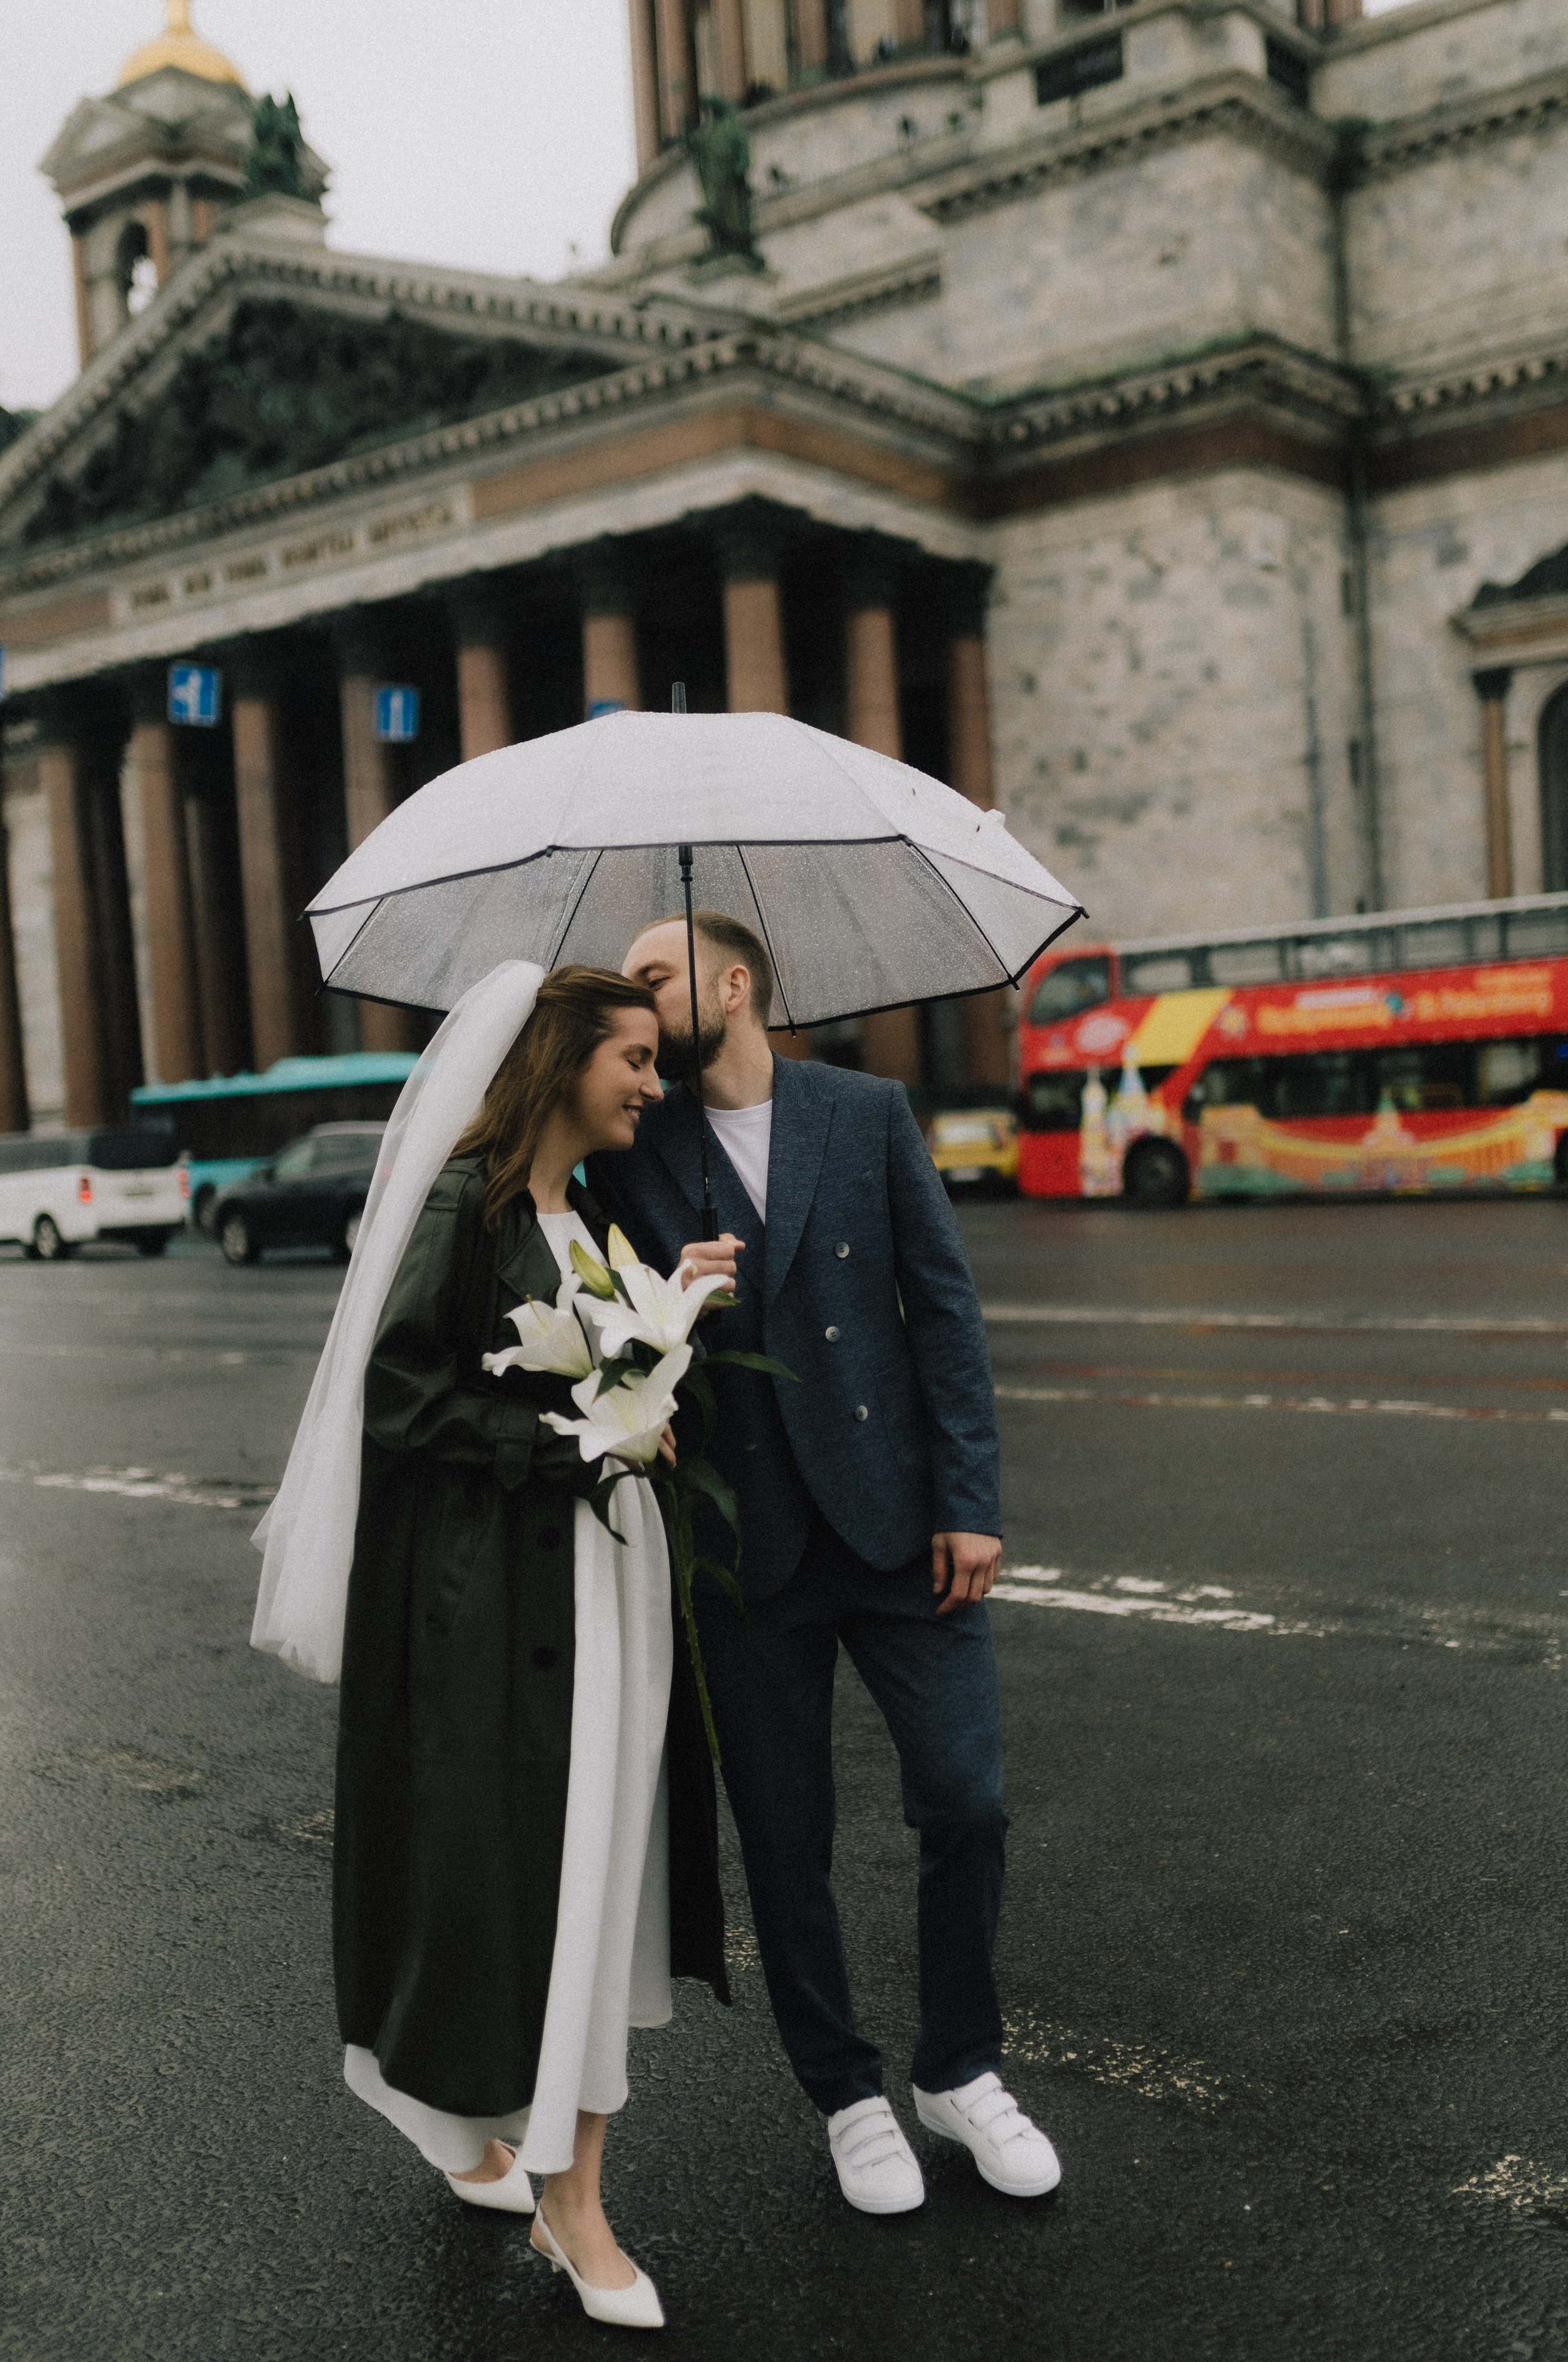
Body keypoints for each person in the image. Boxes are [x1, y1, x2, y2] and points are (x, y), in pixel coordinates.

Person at [252, 962, 729, 2334]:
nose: (653, 1081)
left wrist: (675, 1310)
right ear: (561, 1059)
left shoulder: (578, 1212)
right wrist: (574, 1439)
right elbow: (396, 1395)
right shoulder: (464, 1202)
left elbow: (614, 1370)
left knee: (573, 1867)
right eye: (632, 1057)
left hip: (600, 1586)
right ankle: (568, 2205)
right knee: (545, 1874)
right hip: (517, 1602)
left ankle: (457, 2121)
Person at [588, 913, 1060, 2215]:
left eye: (655, 976)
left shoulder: (865, 1110)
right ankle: (846, 2092)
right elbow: (601, 1337)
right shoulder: (630, 1145)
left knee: (965, 1799)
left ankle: (958, 2070)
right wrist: (661, 1301)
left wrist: (968, 1500)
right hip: (747, 1545)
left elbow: (943, 1309)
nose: (637, 1003)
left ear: (733, 986)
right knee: (784, 1841)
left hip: (901, 1524)